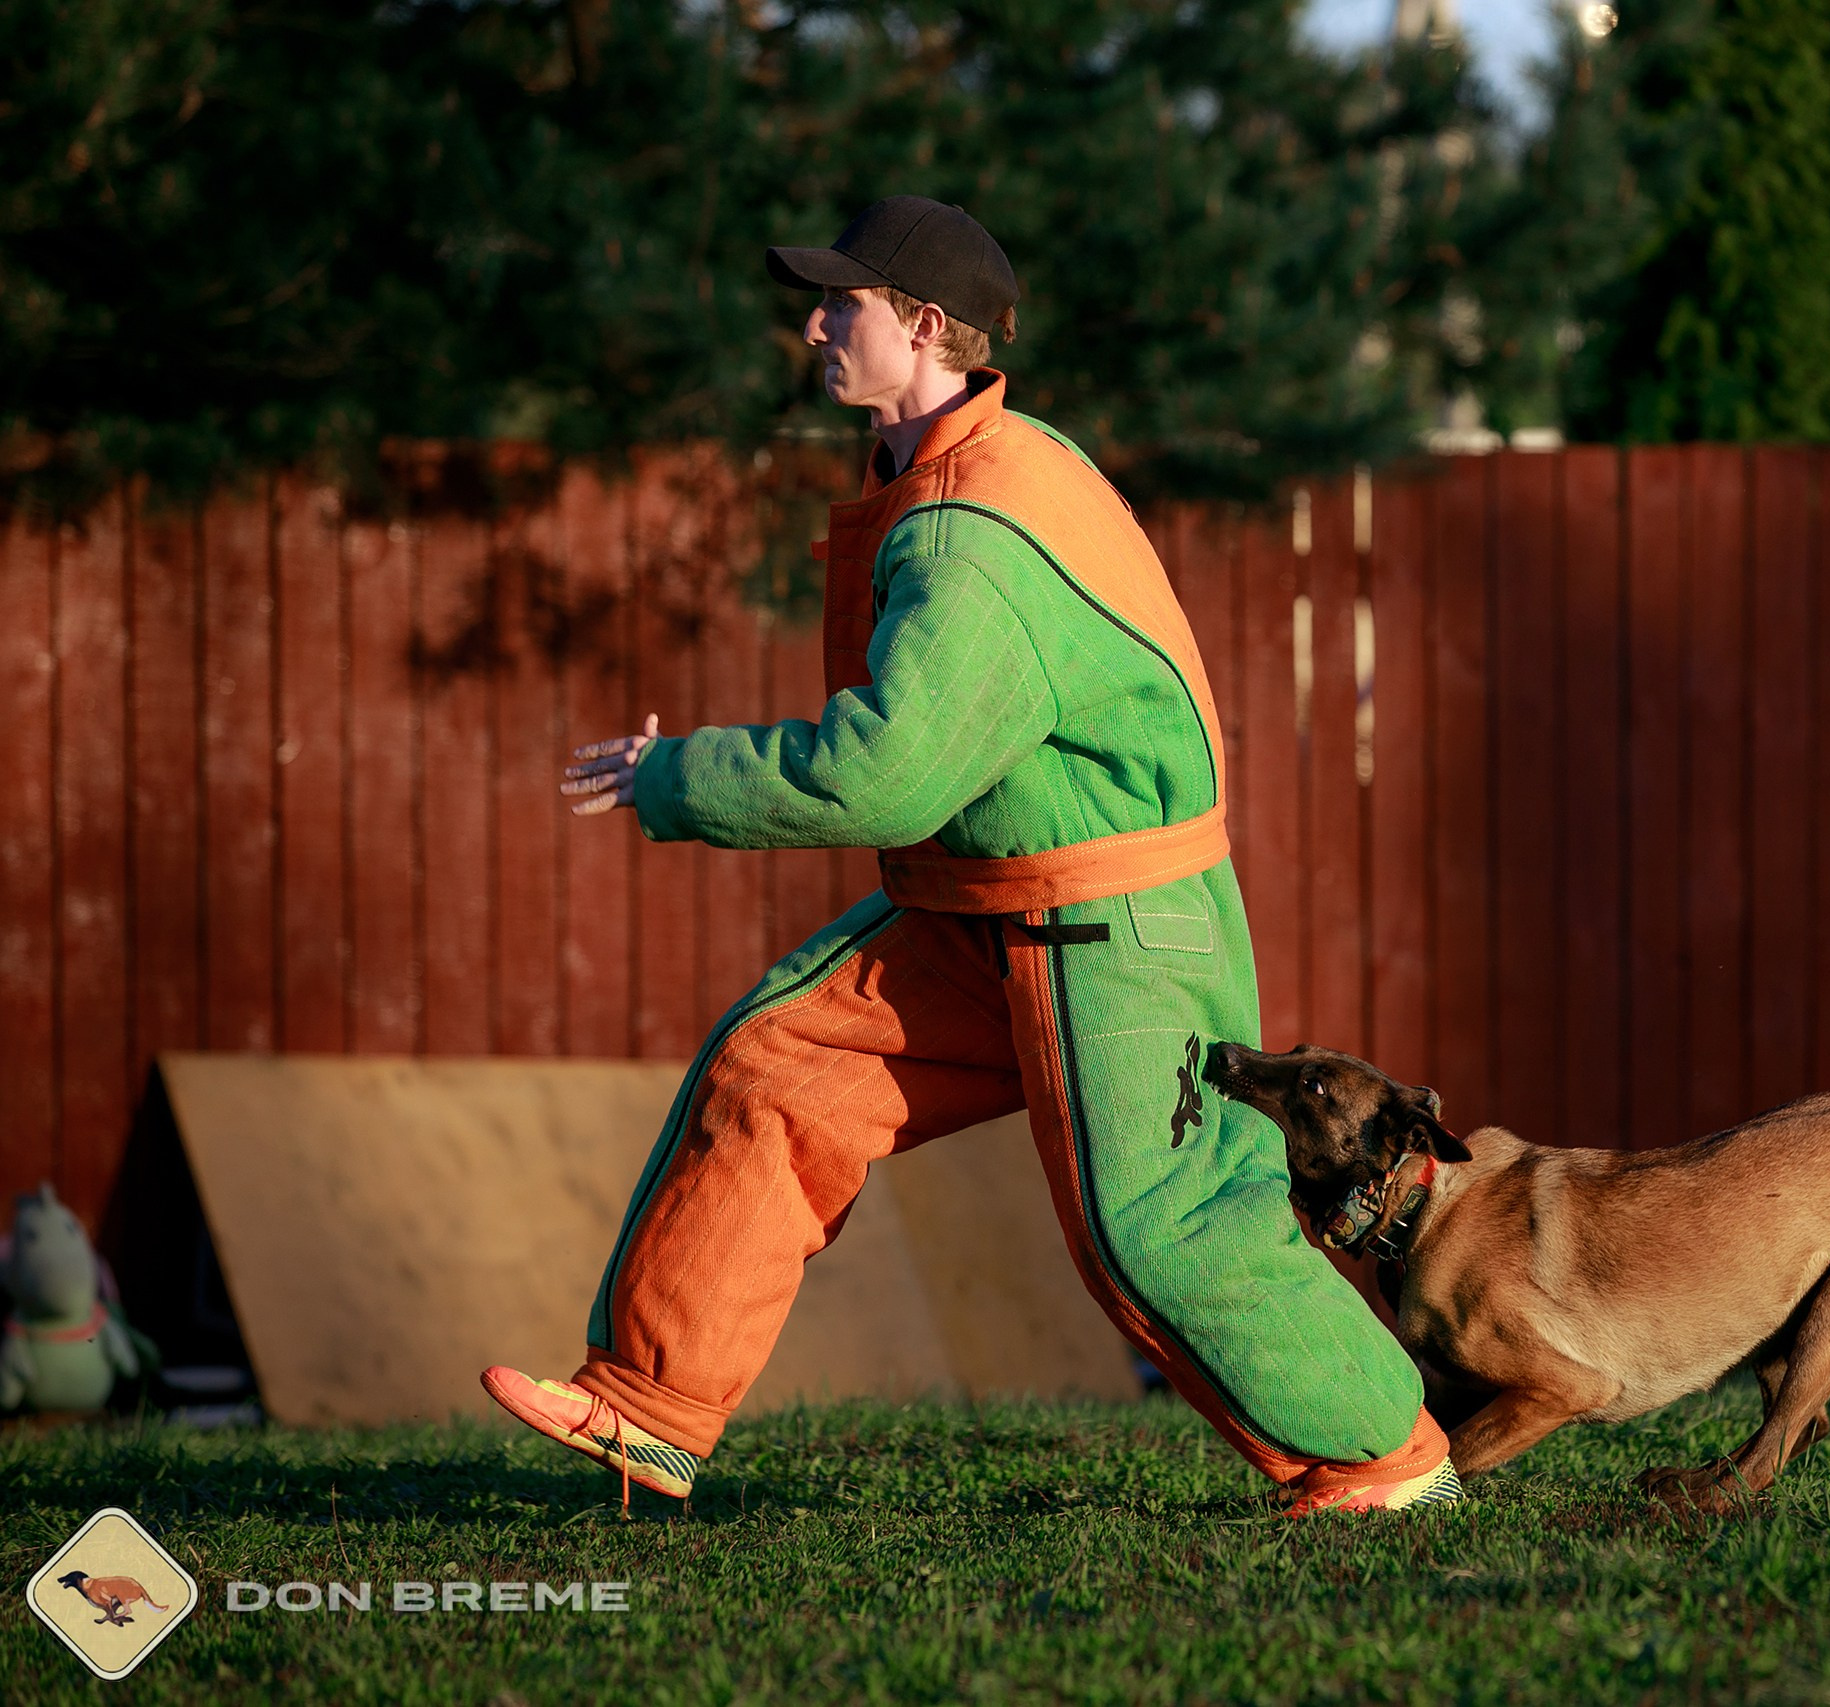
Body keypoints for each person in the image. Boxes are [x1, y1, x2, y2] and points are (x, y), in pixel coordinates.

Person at [480, 197, 1456, 1516]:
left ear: (927, 329)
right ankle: (645, 1408)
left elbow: (885, 771)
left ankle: (1385, 1461)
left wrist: (674, 776)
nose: (815, 324)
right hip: (991, 901)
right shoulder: (948, 472)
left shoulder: (975, 531)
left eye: (846, 304)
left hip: (1109, 920)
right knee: (783, 1067)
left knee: (1155, 1230)